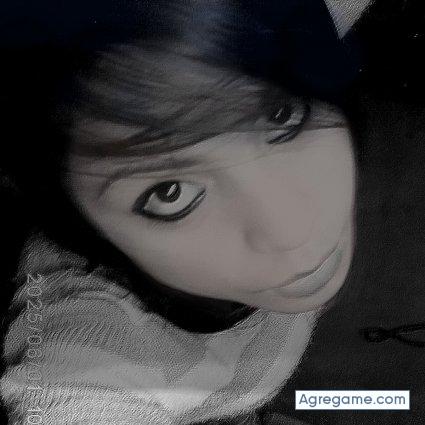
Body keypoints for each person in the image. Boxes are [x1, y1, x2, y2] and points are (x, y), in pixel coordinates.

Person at [0, 1, 372, 423]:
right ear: (79, 222)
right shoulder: (86, 342)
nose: (294, 232)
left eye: (282, 114)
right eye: (170, 193)